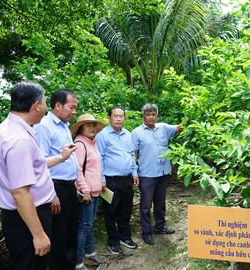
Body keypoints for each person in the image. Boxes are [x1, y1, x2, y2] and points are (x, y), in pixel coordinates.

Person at [0, 81, 76, 270]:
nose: (46, 109)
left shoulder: (9, 130)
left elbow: (34, 166)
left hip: (26, 215)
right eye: (45, 103)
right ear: (36, 105)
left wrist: (62, 157)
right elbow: (20, 192)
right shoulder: (18, 140)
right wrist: (38, 234)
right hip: (28, 218)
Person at [35, 89, 79, 269]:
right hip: (55, 188)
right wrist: (51, 193)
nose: (74, 111)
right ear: (58, 105)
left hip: (69, 187)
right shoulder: (44, 127)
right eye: (72, 107)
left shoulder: (64, 126)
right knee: (59, 236)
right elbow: (40, 163)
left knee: (70, 232)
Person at [131, 103, 183, 245]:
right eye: (148, 114)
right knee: (146, 206)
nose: (151, 117)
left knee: (160, 203)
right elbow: (133, 154)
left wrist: (191, 119)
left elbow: (179, 128)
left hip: (163, 172)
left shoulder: (163, 128)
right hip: (147, 174)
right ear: (143, 116)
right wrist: (133, 172)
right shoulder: (136, 132)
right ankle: (146, 232)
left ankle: (160, 227)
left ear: (157, 115)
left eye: (153, 114)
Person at [95, 106, 139, 254]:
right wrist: (101, 179)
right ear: (109, 118)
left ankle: (124, 237)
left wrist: (134, 172)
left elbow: (132, 155)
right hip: (110, 180)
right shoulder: (102, 135)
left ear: (124, 118)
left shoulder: (128, 134)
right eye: (115, 116)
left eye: (121, 116)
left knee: (126, 209)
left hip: (127, 179)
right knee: (111, 212)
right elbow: (98, 158)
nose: (119, 118)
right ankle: (113, 241)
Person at [70, 114, 106, 270]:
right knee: (84, 226)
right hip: (87, 193)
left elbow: (94, 167)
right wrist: (84, 191)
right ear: (80, 128)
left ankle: (90, 253)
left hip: (95, 191)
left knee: (89, 224)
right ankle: (78, 262)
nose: (92, 128)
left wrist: (101, 181)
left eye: (93, 125)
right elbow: (77, 170)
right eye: (88, 125)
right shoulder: (80, 144)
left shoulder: (92, 143)